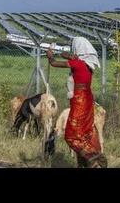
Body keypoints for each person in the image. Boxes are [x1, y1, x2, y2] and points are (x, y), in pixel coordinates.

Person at [46, 36, 108, 168]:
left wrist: (50, 56)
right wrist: (70, 55)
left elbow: (54, 63)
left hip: (79, 101)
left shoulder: (77, 64)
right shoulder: (86, 65)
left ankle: (91, 159)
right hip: (88, 100)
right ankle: (90, 161)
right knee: (85, 132)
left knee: (71, 135)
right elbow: (65, 55)